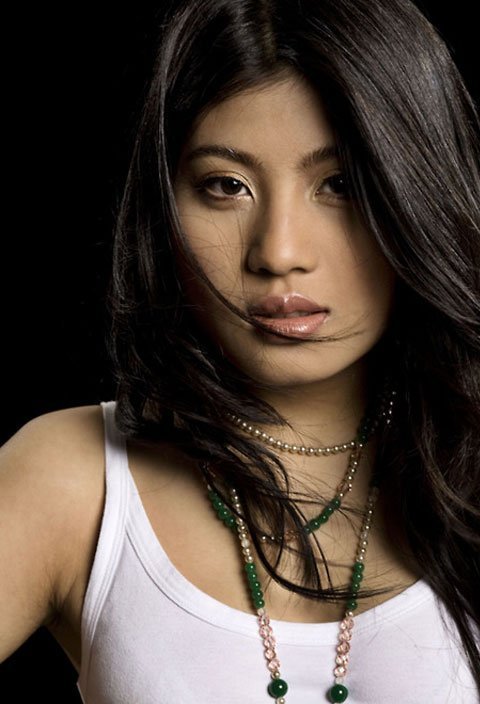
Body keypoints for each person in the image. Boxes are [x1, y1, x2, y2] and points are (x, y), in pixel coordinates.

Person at [1, 0, 479, 701]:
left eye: (340, 185)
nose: (278, 252)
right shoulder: (76, 482)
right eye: (226, 187)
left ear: (421, 195)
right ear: (166, 207)